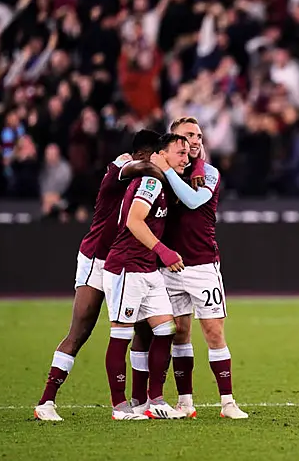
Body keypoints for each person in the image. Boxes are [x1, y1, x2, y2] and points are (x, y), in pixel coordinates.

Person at [34, 130, 164, 422]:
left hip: (128, 262)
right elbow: (138, 166)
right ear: (148, 154)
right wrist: (165, 168)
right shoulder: (123, 167)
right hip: (98, 259)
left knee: (144, 331)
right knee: (80, 331)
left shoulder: (150, 182)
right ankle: (46, 401)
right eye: (160, 154)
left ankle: (138, 401)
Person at [152, 116, 249, 419]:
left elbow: (193, 202)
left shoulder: (208, 172)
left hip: (203, 264)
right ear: (173, 140)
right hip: (169, 266)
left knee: (213, 331)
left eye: (199, 136)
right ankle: (185, 403)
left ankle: (228, 402)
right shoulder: (162, 169)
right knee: (179, 333)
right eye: (188, 135)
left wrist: (167, 170)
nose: (195, 140)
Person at [102, 133, 190, 421]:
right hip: (127, 267)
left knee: (166, 329)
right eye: (180, 153)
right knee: (121, 335)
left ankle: (155, 400)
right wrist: (164, 251)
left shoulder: (162, 183)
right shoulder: (151, 182)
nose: (185, 160)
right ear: (161, 154)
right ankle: (120, 407)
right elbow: (133, 220)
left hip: (147, 269)